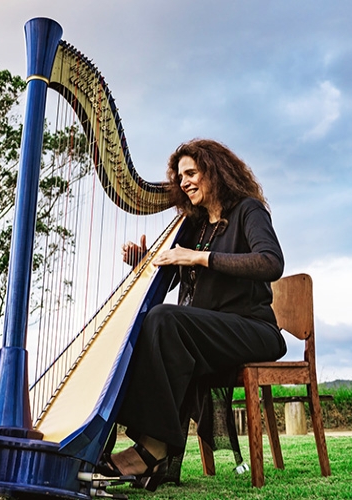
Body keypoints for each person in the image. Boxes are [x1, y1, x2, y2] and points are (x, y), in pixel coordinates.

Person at [96, 138, 287, 490]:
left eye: (191, 172)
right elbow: (169, 282)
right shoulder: (193, 226)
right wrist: (142, 262)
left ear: (215, 171)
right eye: (179, 175)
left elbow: (271, 262)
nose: (183, 181)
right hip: (208, 333)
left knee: (164, 319)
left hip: (254, 330)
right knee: (153, 321)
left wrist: (198, 257)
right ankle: (141, 450)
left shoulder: (248, 210)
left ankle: (153, 449)